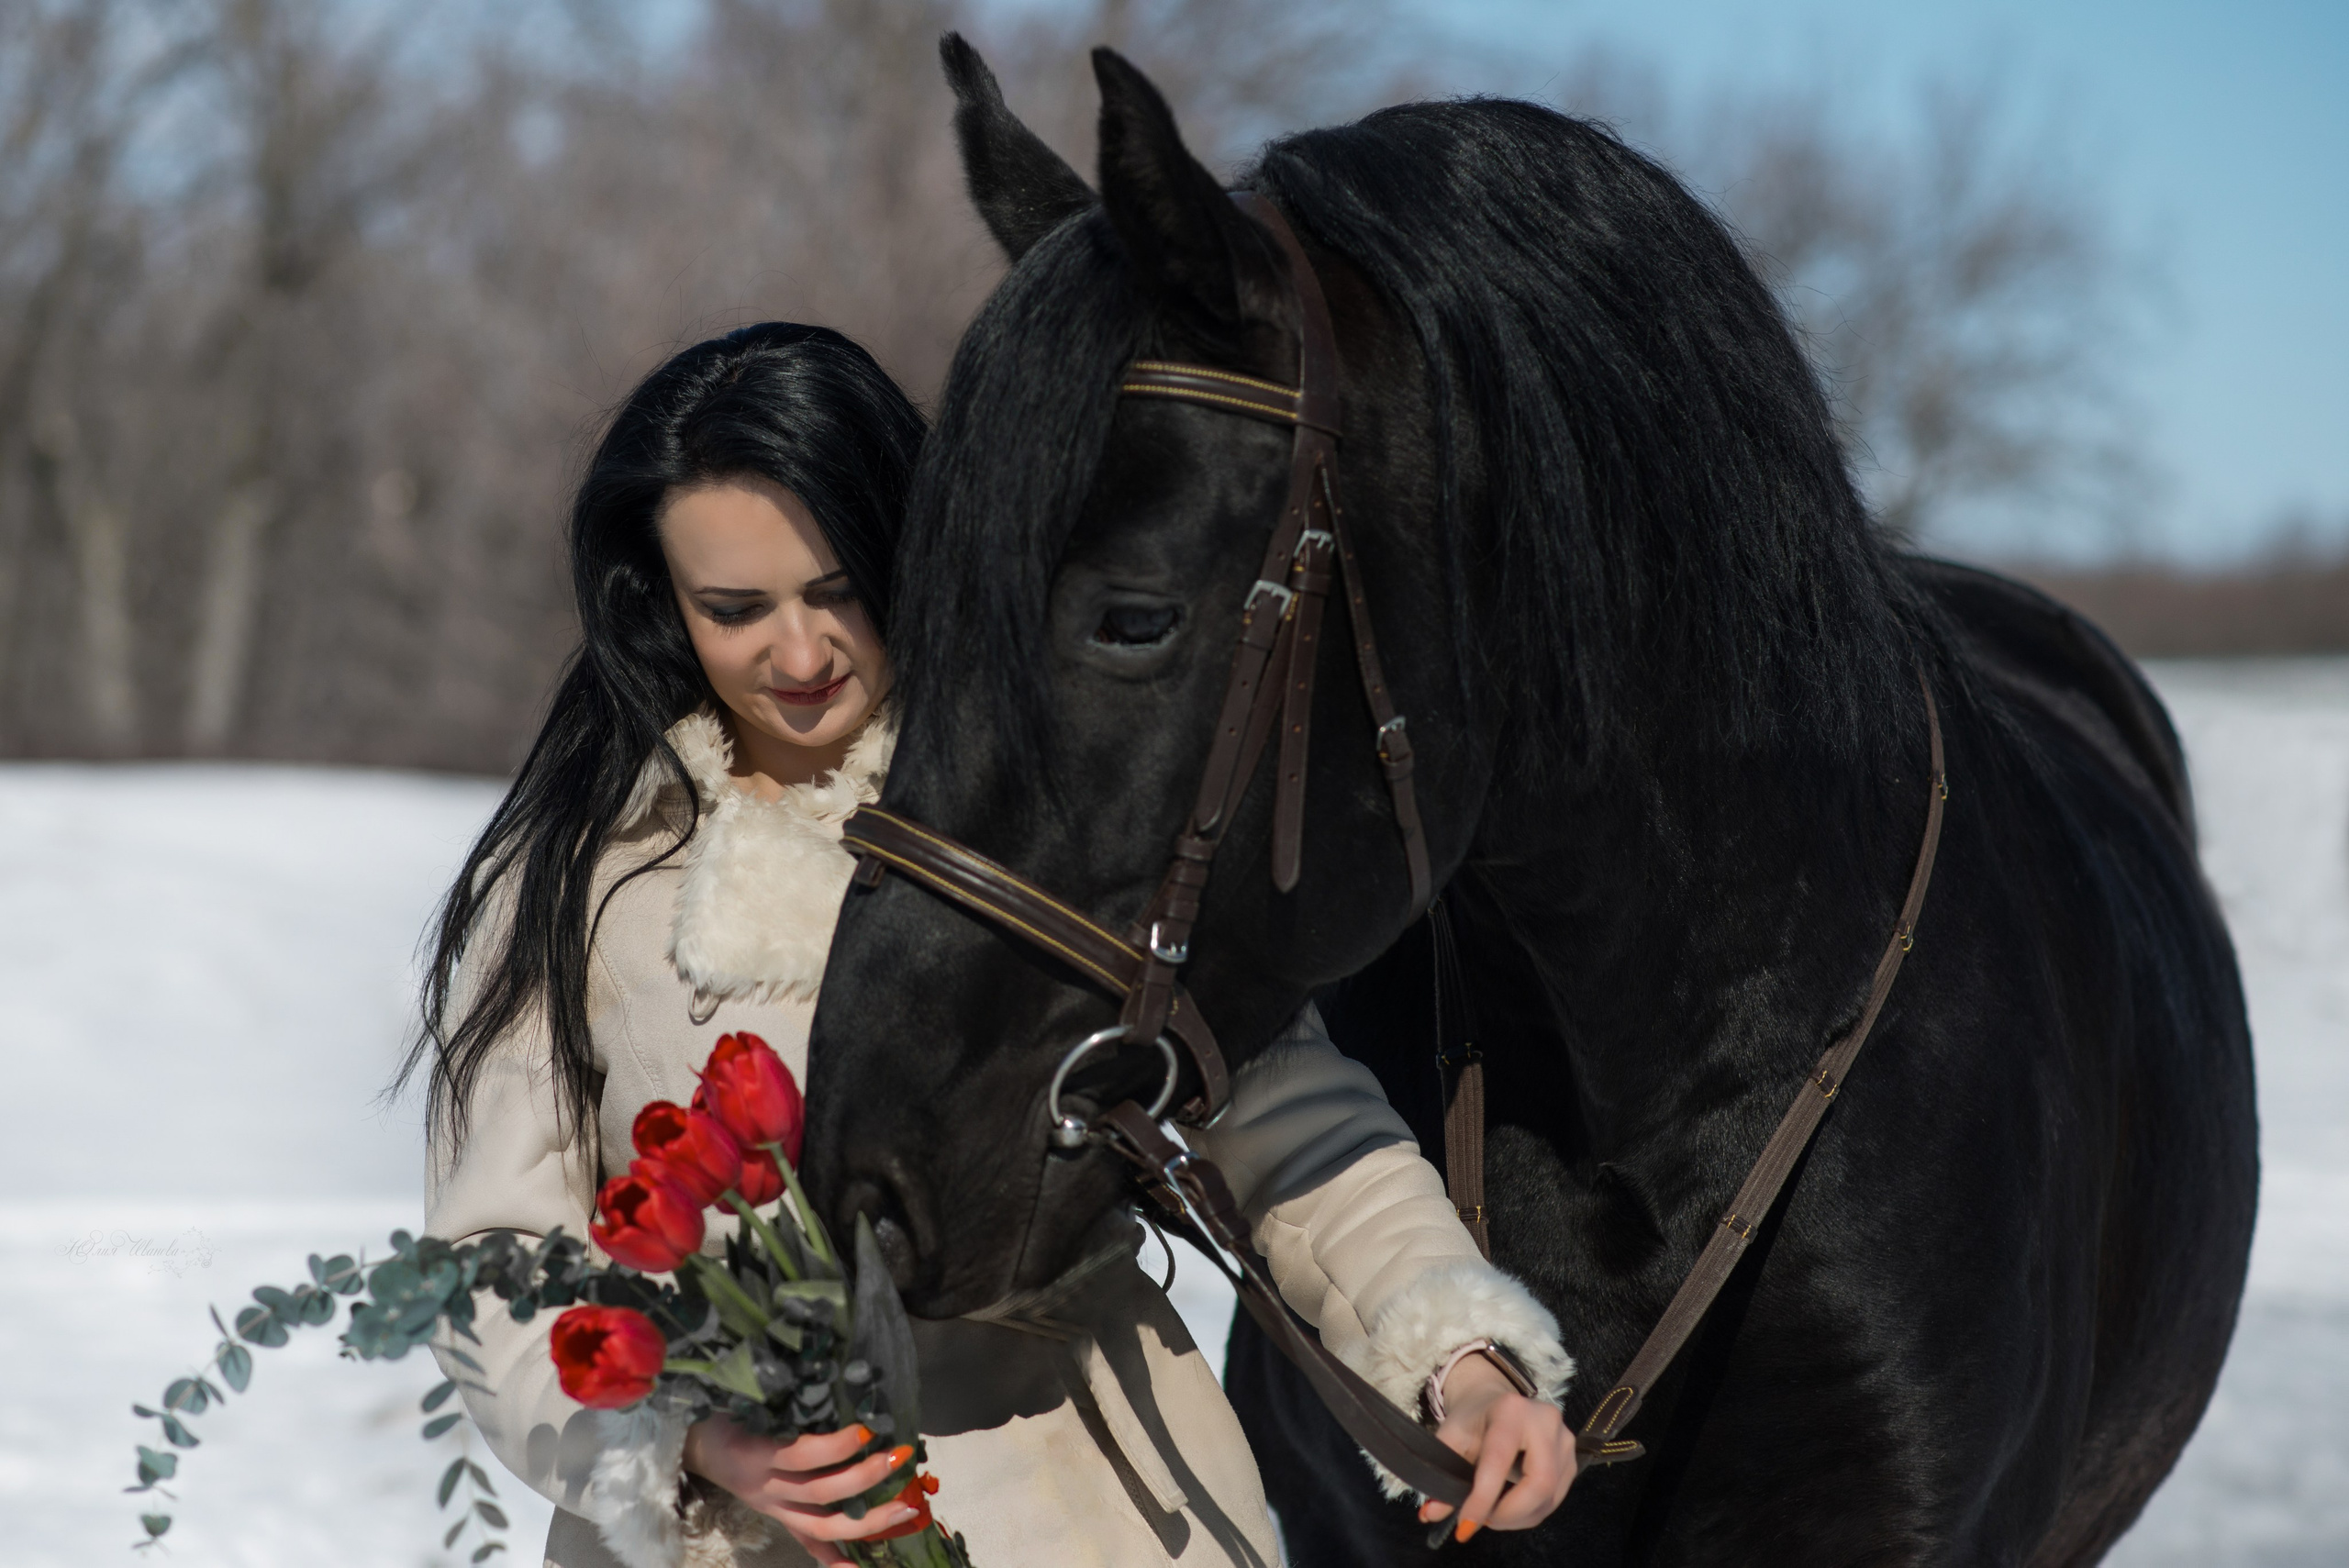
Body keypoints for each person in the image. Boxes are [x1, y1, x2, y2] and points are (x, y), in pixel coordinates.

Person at [412, 322, 1577, 1568]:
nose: (799, 655)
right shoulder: (572, 873)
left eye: (838, 587)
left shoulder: (1081, 818)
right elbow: (496, 1262)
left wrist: (1458, 1354)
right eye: (735, 609)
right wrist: (689, 1443)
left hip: (1096, 1508)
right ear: (659, 602)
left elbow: (1297, 1131)